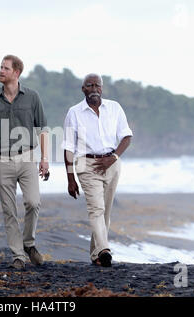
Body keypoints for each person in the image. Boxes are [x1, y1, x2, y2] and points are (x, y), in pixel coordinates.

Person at [0, 55, 49, 270]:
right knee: (9, 209)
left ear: (16, 73)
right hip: (1, 159)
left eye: (5, 68)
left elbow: (43, 129)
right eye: (0, 67)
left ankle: (29, 243)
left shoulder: (32, 97)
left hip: (28, 157)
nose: (1, 71)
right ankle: (18, 255)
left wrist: (45, 158)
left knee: (33, 202)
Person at [62, 73, 132, 267]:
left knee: (106, 212)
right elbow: (68, 146)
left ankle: (96, 255)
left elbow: (126, 137)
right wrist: (70, 178)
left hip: (112, 163)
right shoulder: (74, 112)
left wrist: (114, 157)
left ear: (102, 88)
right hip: (86, 164)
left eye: (97, 85)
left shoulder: (114, 108)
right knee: (96, 209)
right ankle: (104, 250)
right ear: (83, 89)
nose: (94, 89)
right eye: (89, 85)